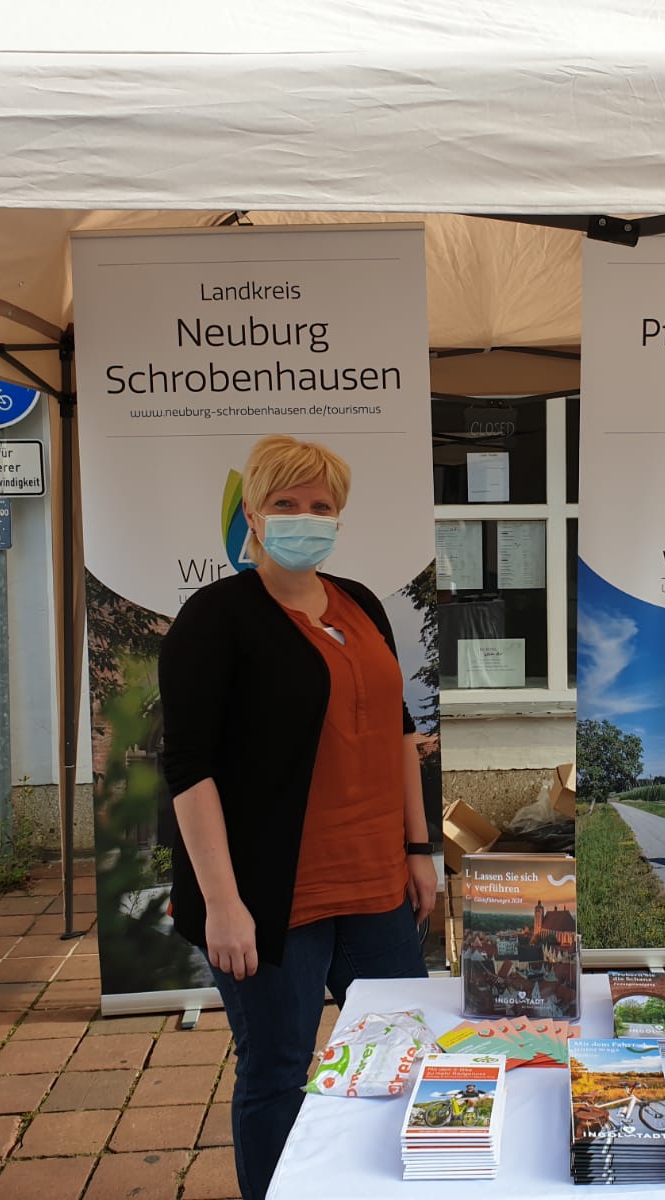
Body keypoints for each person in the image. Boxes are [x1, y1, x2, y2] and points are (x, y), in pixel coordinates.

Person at [159, 434, 437, 1200]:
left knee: (397, 1052)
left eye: (321, 506)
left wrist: (419, 847)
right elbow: (189, 768)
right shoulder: (215, 618)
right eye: (286, 504)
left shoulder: (361, 603)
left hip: (375, 879)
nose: (304, 519)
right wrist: (221, 904)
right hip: (271, 897)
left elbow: (399, 730)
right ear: (251, 512)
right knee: (278, 1073)